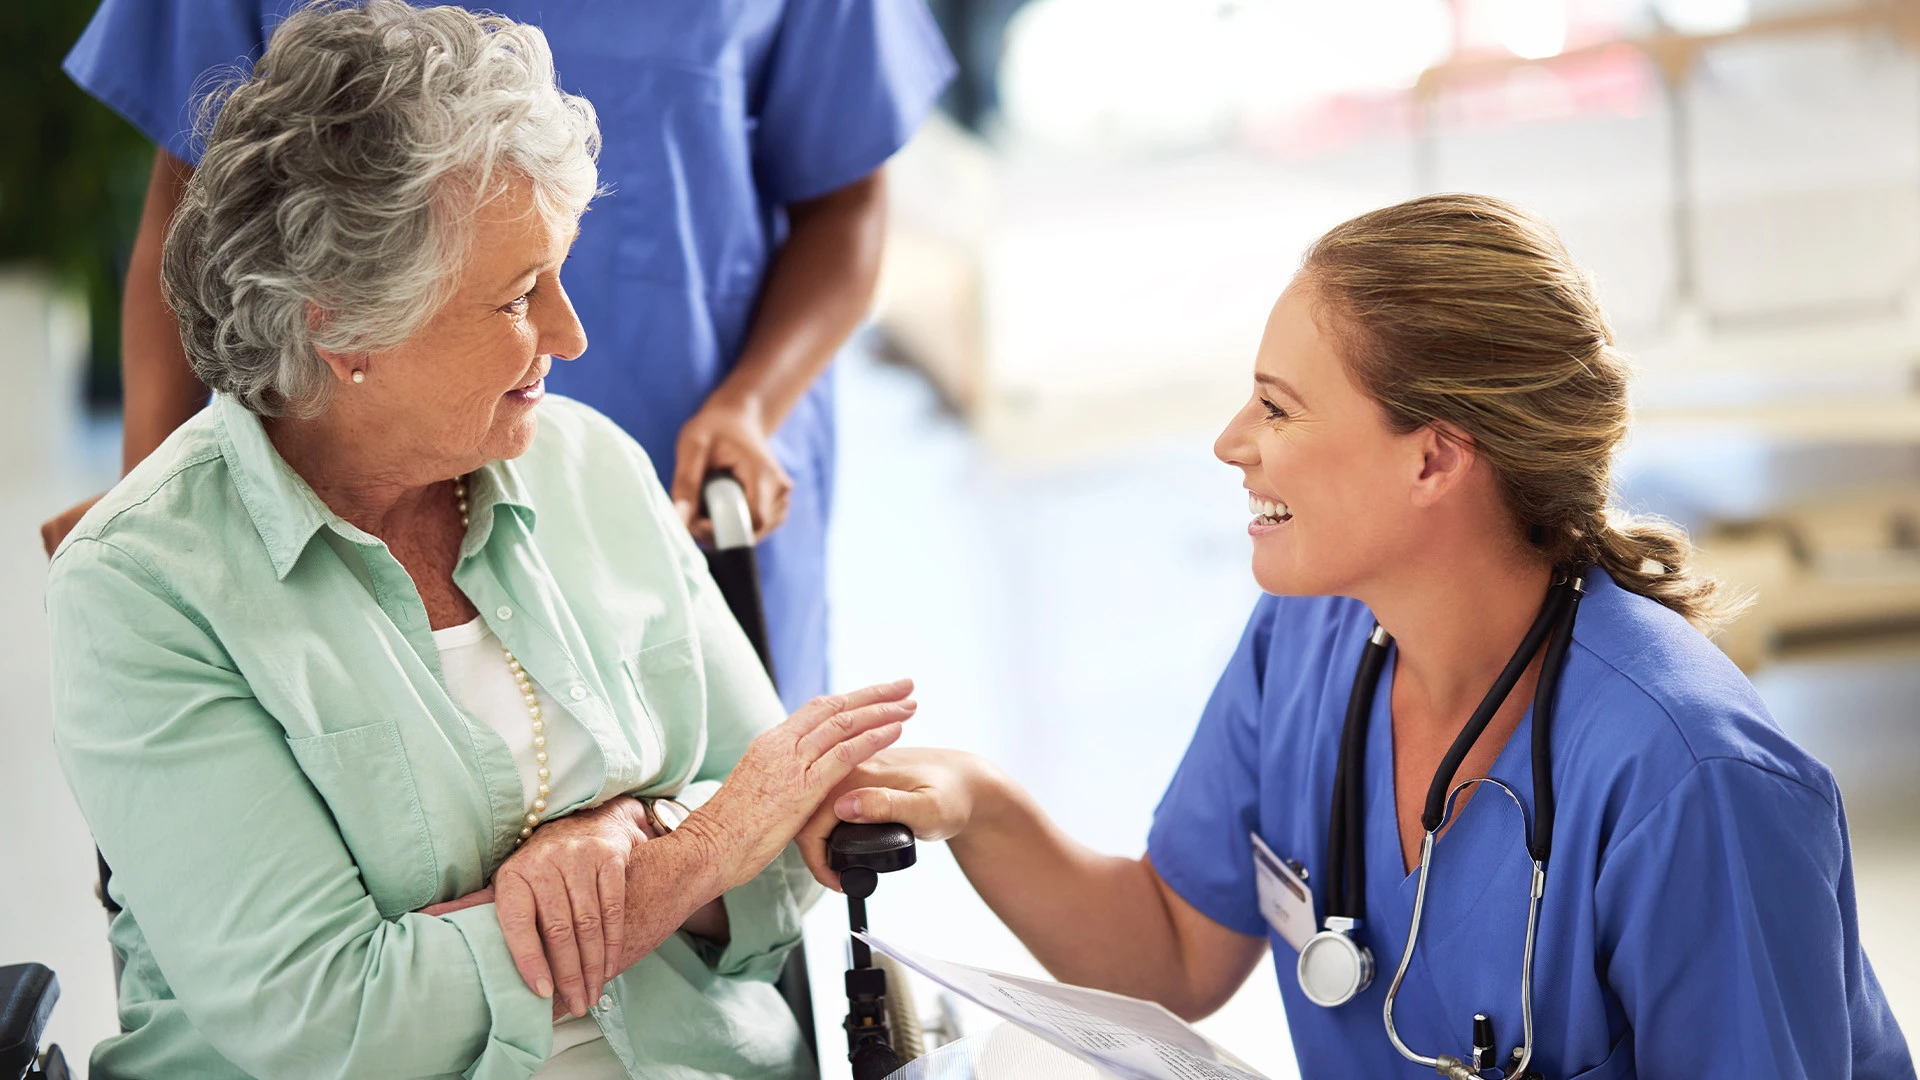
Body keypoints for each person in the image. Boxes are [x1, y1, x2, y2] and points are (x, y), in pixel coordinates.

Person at [799, 196, 1916, 1079]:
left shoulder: (1691, 779)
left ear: (1433, 459)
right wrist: (982, 807)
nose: (1233, 442)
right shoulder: (1310, 642)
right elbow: (1172, 954)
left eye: (1279, 408)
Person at [47, 6, 916, 1077]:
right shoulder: (144, 587)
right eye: (518, 295)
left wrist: (622, 839)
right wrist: (690, 853)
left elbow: (786, 855)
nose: (571, 335)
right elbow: (339, 1022)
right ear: (343, 325)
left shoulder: (592, 466)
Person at [47, 0, 957, 712]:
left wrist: (752, 406)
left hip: (689, 485)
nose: (568, 333)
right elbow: (194, 213)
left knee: (729, 831)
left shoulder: (604, 469)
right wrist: (150, 514)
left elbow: (846, 205)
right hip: (348, 495)